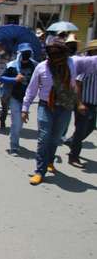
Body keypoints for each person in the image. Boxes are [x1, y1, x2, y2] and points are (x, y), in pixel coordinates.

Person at [22, 39, 79, 185]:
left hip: (65, 107)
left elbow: (73, 85)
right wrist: (25, 108)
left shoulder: (71, 64)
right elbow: (32, 89)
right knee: (44, 138)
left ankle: (50, 162)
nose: (54, 58)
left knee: (55, 139)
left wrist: (77, 103)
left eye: (58, 55)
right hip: (45, 106)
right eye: (51, 54)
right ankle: (39, 171)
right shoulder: (41, 67)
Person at [0, 43, 38, 156]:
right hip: (14, 97)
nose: (26, 54)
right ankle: (14, 147)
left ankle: (14, 140)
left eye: (28, 52)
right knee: (16, 123)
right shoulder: (12, 65)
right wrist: (14, 79)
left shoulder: (35, 66)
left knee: (20, 124)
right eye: (24, 52)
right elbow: (1, 78)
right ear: (19, 53)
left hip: (27, 99)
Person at [68, 40, 97, 167]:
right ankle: (73, 157)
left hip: (94, 103)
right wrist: (79, 103)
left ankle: (72, 141)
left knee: (90, 127)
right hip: (83, 102)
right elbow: (78, 84)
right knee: (81, 129)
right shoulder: (87, 65)